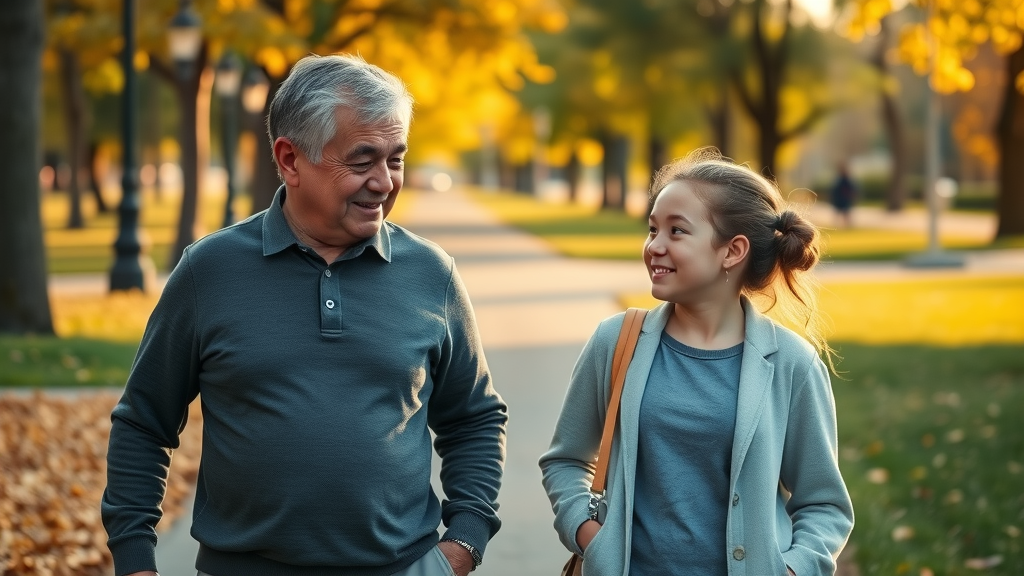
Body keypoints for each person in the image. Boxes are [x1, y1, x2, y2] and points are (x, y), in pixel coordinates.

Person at [102, 54, 508, 576]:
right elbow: (143, 423)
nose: (384, 182)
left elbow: (474, 418)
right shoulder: (210, 271)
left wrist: (464, 543)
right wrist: (135, 560)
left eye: (396, 159)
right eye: (362, 161)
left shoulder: (432, 274)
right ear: (290, 160)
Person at [540, 148, 854, 576]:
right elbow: (566, 460)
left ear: (732, 251)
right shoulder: (616, 342)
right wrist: (590, 536)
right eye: (652, 229)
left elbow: (823, 504)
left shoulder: (792, 365)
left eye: (676, 231)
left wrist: (795, 569)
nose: (654, 247)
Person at [830, 163, 857, 228]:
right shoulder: (839, 179)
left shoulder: (846, 180)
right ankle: (839, 225)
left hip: (844, 198)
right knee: (840, 212)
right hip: (840, 198)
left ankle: (847, 225)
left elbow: (851, 189)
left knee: (845, 212)